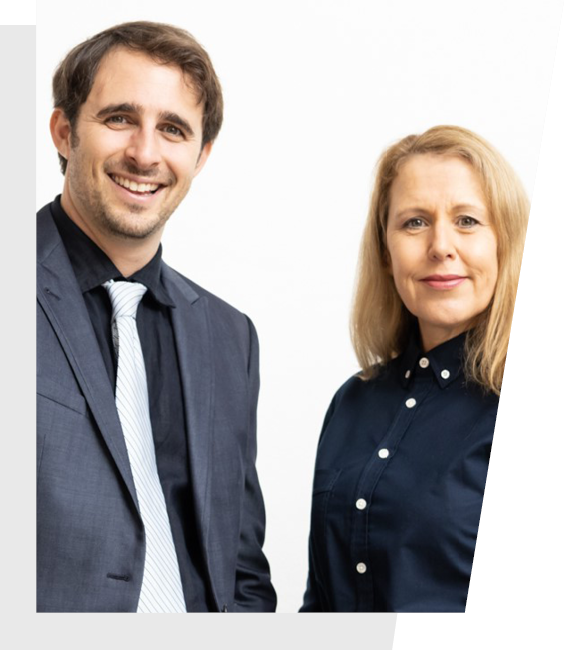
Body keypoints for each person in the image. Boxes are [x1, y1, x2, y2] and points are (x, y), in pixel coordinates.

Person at [37, 21, 276, 613]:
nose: (145, 154)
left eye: (173, 129)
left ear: (201, 155)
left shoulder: (230, 337)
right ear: (65, 131)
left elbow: (241, 566)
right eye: (120, 118)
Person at [300, 125, 529, 612]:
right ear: (386, 252)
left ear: (505, 243)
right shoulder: (352, 402)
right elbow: (320, 601)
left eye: (467, 220)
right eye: (415, 222)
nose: (441, 246)